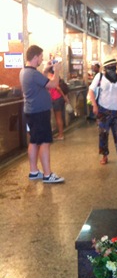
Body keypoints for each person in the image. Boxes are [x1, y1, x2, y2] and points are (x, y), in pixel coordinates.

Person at [19, 44, 65, 183]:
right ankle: (47, 174)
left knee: (34, 141)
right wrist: (56, 71)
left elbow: (40, 82)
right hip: (39, 113)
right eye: (41, 57)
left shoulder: (25, 72)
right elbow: (52, 84)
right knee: (44, 142)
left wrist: (45, 71)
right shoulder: (32, 73)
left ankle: (34, 171)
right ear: (35, 57)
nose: (42, 59)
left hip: (31, 111)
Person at [88, 58, 117, 166]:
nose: (113, 68)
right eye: (111, 66)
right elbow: (91, 90)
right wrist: (94, 105)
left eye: (114, 66)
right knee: (103, 134)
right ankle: (104, 156)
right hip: (103, 110)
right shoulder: (100, 77)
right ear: (106, 68)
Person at [48, 68, 69, 140]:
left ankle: (61, 135)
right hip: (59, 99)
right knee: (59, 117)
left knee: (58, 118)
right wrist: (64, 97)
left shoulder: (51, 78)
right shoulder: (57, 78)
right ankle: (60, 134)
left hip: (56, 99)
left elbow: (58, 88)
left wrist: (64, 97)